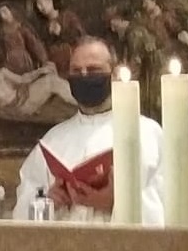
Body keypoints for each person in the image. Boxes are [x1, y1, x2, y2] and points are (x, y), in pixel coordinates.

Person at [12, 37, 162, 223]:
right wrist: (48, 201)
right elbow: (21, 210)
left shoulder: (148, 134)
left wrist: (115, 204)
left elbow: (167, 203)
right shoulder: (53, 141)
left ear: (114, 74)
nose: (84, 76)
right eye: (76, 71)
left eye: (93, 70)